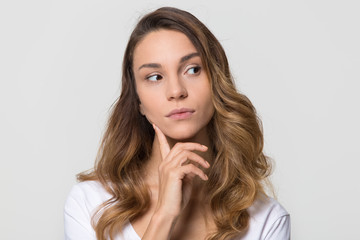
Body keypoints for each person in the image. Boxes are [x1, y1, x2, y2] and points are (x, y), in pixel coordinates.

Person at [64, 7, 290, 240]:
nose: (176, 91)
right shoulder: (91, 205)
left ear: (216, 82)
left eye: (192, 70)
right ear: (138, 101)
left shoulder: (266, 221)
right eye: (154, 77)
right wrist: (164, 216)